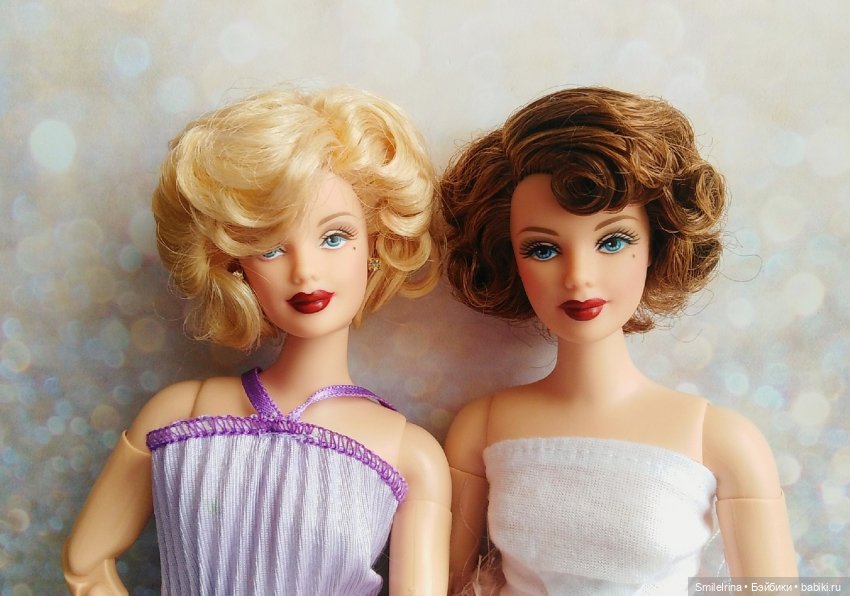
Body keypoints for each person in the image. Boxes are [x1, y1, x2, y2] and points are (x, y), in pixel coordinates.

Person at [62, 86, 451, 595]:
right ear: (233, 264)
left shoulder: (410, 455)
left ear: (375, 245)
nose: (305, 270)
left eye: (334, 237)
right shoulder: (180, 414)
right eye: (270, 248)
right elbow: (85, 566)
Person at [441, 87, 796, 594]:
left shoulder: (721, 440)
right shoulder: (482, 427)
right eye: (542, 249)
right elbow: (445, 582)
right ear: (509, 257)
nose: (578, 277)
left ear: (656, 243)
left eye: (612, 241)